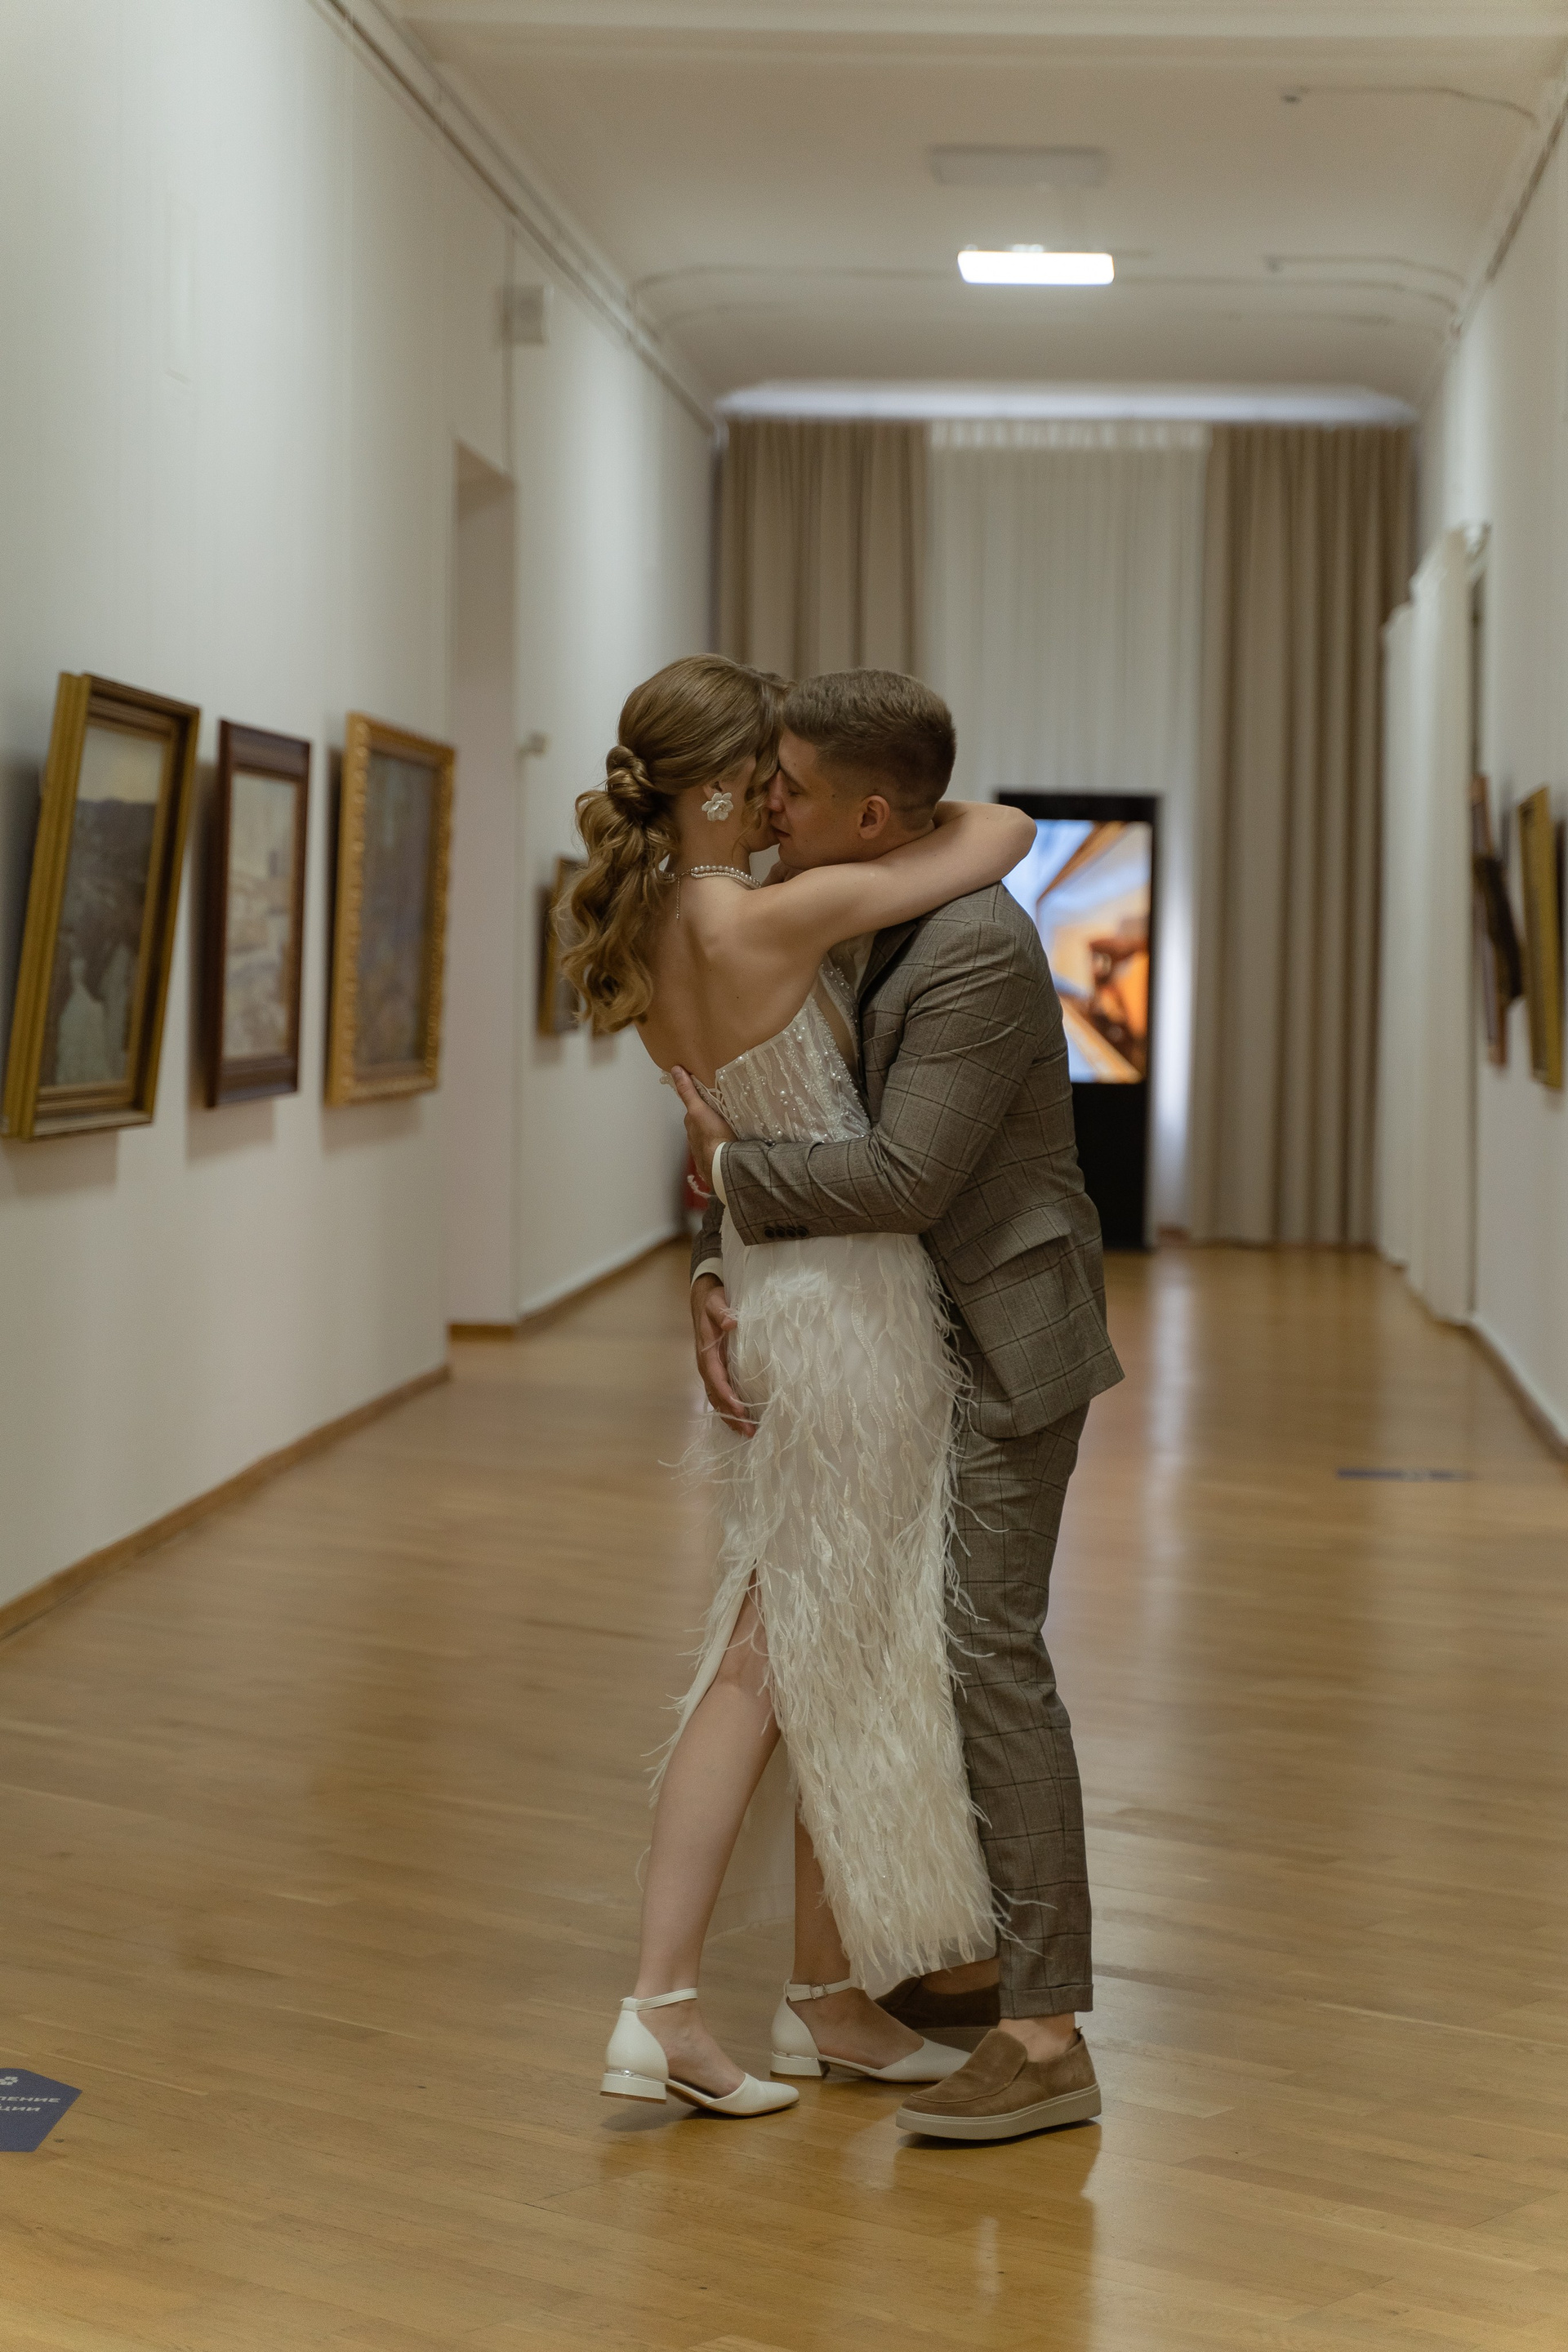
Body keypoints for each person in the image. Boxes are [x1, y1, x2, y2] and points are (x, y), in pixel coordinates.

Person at [564, 653, 1036, 2120]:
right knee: (769, 1658)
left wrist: (713, 1262)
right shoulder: (768, 915)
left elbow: (720, 1149)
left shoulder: (662, 925)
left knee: (837, 1650)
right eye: (764, 775)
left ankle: (827, 2003)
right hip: (854, 1315)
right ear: (717, 788)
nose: (782, 798)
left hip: (773, 1294)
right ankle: (662, 2006)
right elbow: (1001, 830)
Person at [677, 668, 1123, 2144]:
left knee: (986, 1648)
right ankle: (940, 1955)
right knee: (886, 1642)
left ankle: (1046, 2039)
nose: (766, 803)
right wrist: (711, 1259)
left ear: (873, 817)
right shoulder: (844, 899)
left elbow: (901, 1177)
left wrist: (723, 1177)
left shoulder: (976, 946)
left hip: (1005, 1340)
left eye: (791, 786)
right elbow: (791, 1102)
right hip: (895, 1339)